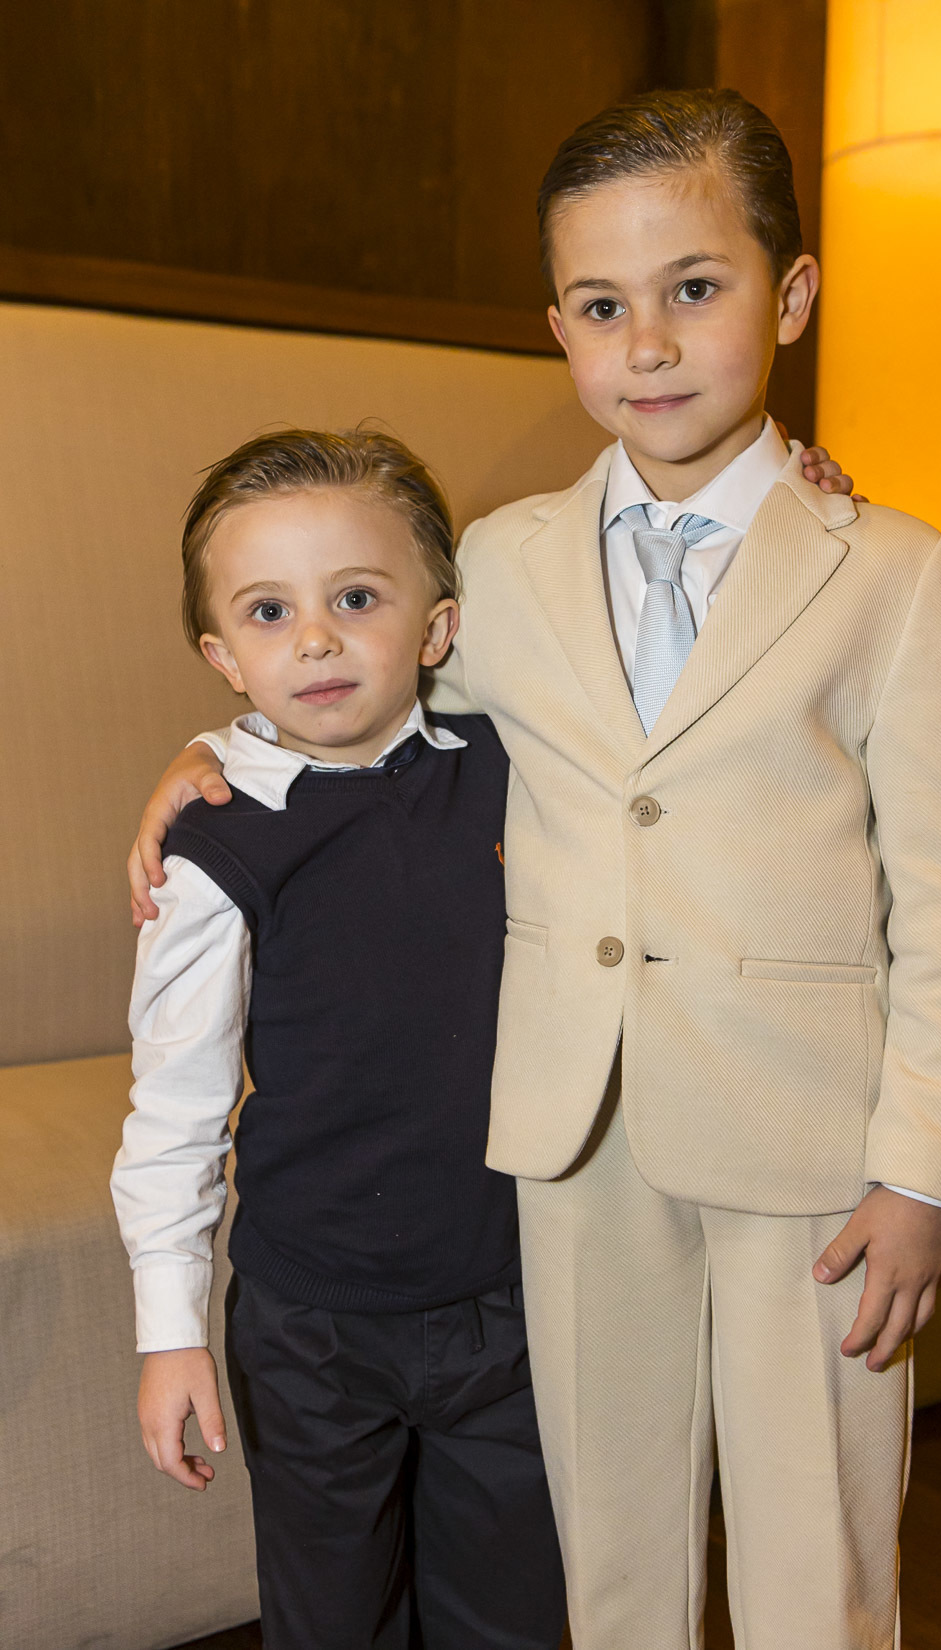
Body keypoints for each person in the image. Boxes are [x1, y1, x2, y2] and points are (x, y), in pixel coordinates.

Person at [128, 89, 941, 1650]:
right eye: (603, 307)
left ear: (792, 296)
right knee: (606, 1552)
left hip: (813, 1143)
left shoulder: (891, 569)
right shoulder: (503, 561)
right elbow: (356, 692)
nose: (648, 344)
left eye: (696, 287)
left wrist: (926, 1168)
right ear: (558, 328)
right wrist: (214, 755)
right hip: (569, 1143)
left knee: (817, 1552)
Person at [111, 428, 567, 1650]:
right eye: (269, 612)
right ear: (222, 657)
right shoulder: (215, 842)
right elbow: (175, 1105)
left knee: (514, 1619)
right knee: (330, 1625)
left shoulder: (512, 768)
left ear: (437, 627)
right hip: (309, 1327)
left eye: (356, 598)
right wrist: (170, 1331)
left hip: (512, 1300)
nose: (314, 639)